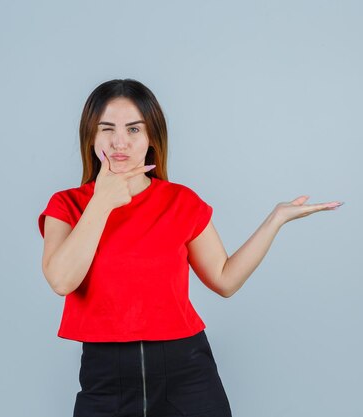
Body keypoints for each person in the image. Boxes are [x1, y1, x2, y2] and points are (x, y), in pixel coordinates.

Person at [38, 78, 344, 417]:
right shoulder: (67, 205)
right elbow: (61, 280)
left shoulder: (180, 202)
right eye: (106, 129)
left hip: (186, 374)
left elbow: (225, 280)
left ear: (151, 137)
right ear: (91, 137)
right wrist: (101, 202)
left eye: (134, 129)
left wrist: (276, 219)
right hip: (106, 378)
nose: (120, 141)